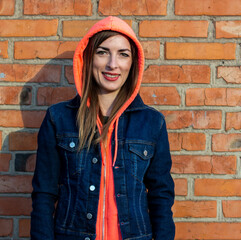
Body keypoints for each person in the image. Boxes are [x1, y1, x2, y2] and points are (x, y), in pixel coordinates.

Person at [31, 16, 175, 240]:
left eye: (123, 54)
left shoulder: (152, 123)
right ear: (88, 58)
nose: (112, 64)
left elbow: (161, 196)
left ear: (133, 63)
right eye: (103, 52)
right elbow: (44, 194)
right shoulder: (58, 119)